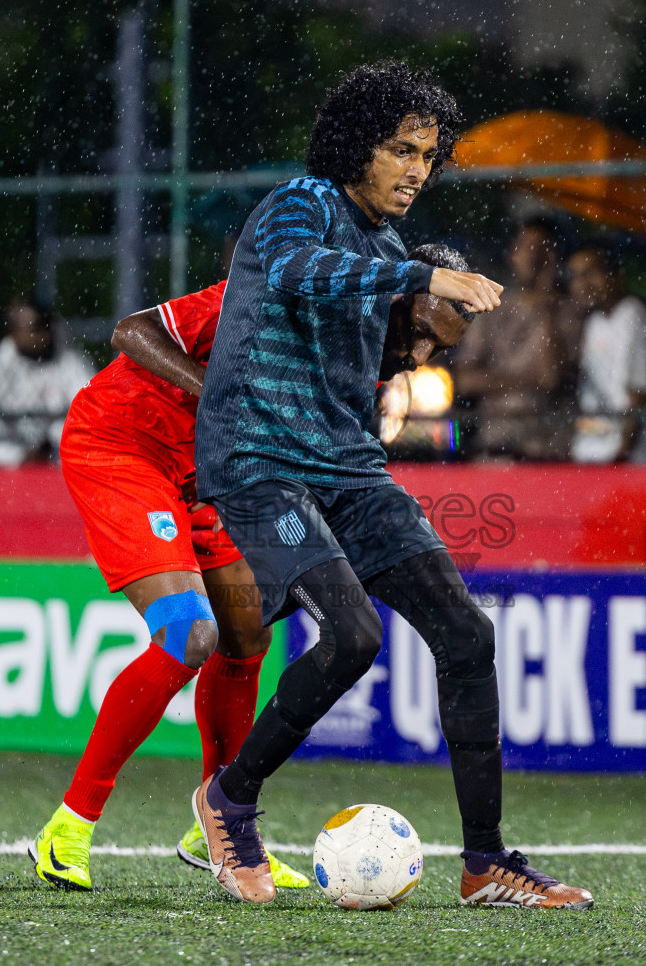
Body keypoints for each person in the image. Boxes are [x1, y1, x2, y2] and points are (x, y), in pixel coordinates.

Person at [191, 61, 594, 909]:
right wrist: (424, 277)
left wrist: (420, 334)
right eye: (401, 150)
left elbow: (371, 349)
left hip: (345, 467)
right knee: (353, 637)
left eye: (429, 154)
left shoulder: (383, 247)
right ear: (354, 147)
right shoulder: (301, 204)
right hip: (259, 465)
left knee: (466, 635)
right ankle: (229, 801)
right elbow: (300, 271)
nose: (417, 169)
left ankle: (485, 864)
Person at [28, 254, 476, 894]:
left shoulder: (361, 376)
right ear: (390, 299)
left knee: (246, 635)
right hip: (124, 444)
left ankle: (217, 824)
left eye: (439, 349)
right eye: (421, 333)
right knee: (189, 635)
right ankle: (69, 826)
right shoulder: (271, 302)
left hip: (210, 479)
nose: (419, 356)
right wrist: (219, 396)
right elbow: (131, 331)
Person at [452, 218, 575, 459]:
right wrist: (529, 379)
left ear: (554, 257)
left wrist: (545, 306)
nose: (532, 258)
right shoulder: (492, 308)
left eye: (541, 250)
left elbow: (551, 377)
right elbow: (464, 381)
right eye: (524, 248)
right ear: (513, 254)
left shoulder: (570, 312)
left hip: (548, 451)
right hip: (496, 445)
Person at [0, 295, 95, 466]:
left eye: (45, 325)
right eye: (34, 328)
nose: (42, 333)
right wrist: (22, 455)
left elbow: (90, 413)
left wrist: (50, 446)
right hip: (7, 464)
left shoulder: (71, 362)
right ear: (14, 331)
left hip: (61, 458)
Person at [566, 242, 646, 462]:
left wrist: (623, 449)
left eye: (590, 273)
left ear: (616, 276)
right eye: (575, 276)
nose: (582, 284)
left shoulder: (632, 315)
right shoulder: (594, 321)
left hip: (624, 457)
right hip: (591, 449)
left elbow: (638, 395)